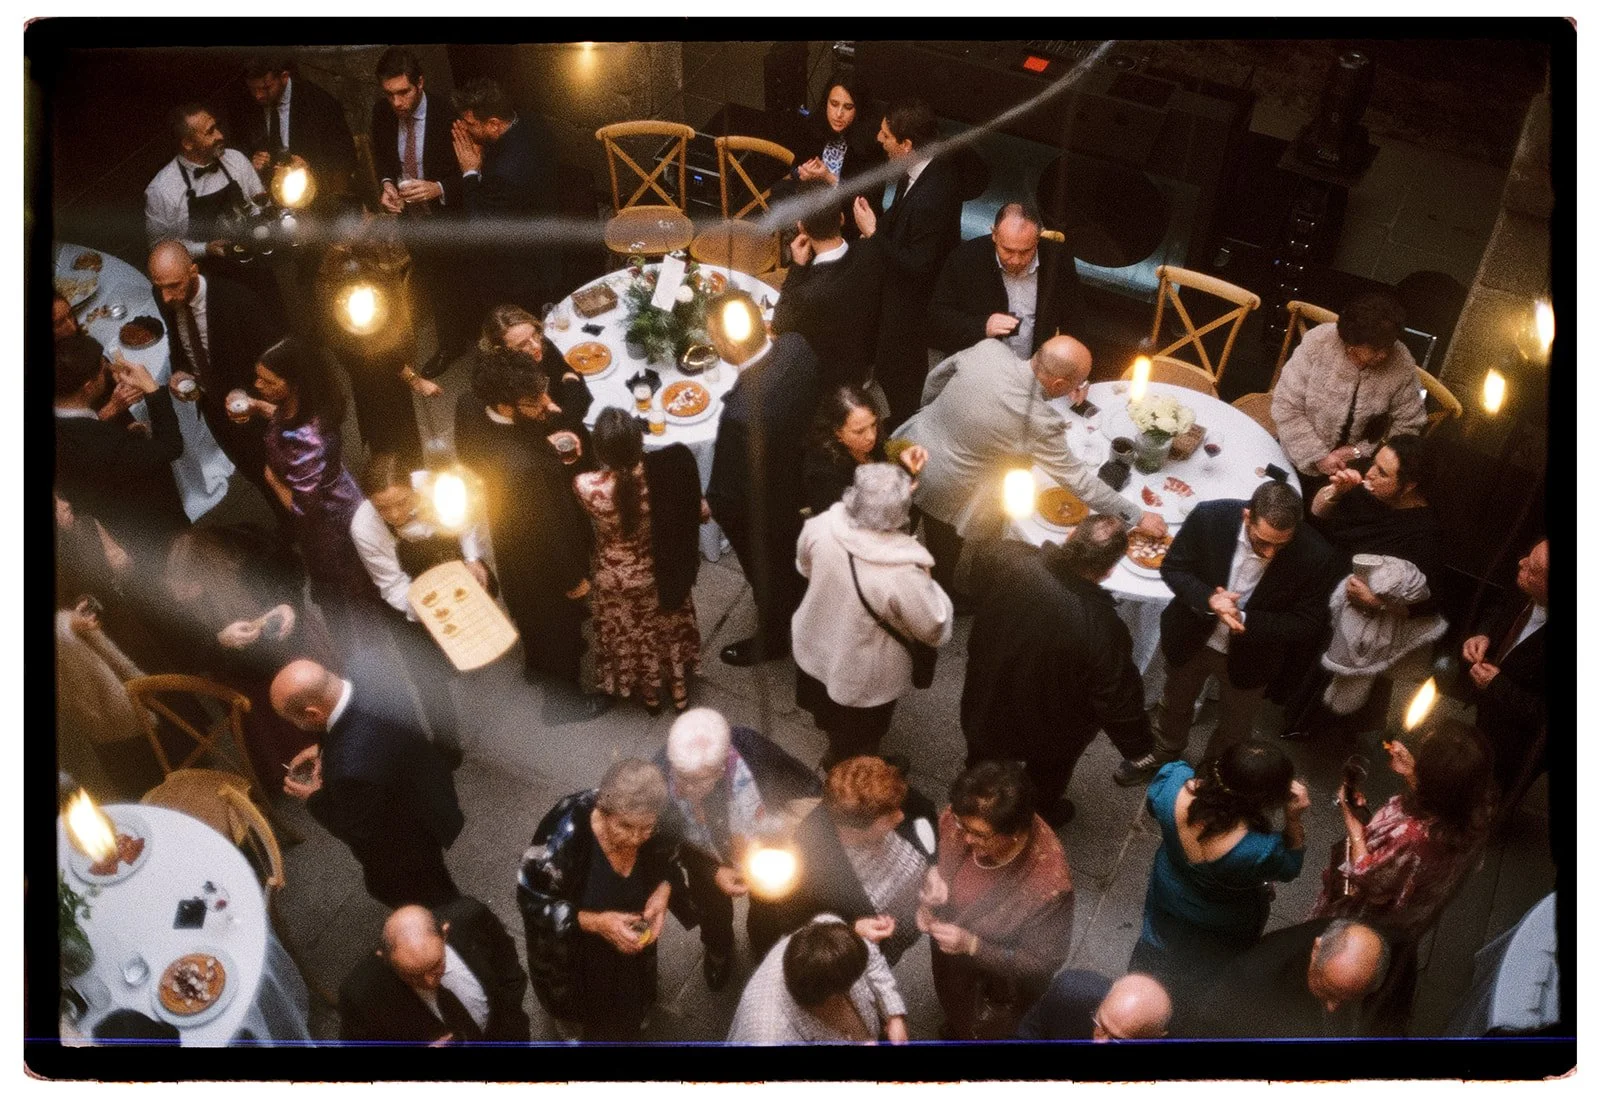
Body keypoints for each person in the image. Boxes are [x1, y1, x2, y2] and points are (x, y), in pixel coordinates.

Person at [897, 333, 1161, 597]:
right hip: (944, 485)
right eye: (1078, 383)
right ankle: (945, 596)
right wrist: (1138, 515)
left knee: (895, 519)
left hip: (908, 444)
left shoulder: (989, 349)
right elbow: (1079, 480)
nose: (1079, 389)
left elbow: (937, 378)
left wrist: (931, 414)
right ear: (1059, 382)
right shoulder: (1039, 421)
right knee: (942, 551)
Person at [1116, 480, 1336, 785]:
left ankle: (1212, 775)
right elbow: (1174, 568)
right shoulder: (1210, 518)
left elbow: (1307, 624)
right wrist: (1209, 599)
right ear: (1247, 515)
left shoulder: (1316, 556)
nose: (1271, 553)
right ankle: (1165, 751)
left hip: (1253, 657)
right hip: (1192, 637)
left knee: (1235, 727)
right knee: (1174, 703)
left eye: (1282, 544)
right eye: (1262, 541)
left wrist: (1245, 618)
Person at [961, 517, 1155, 828]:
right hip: (1052, 725)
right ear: (1109, 570)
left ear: (1069, 535)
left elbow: (976, 577)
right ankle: (1033, 819)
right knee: (1046, 778)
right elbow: (1117, 696)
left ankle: (974, 804)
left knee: (982, 761)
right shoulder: (1103, 628)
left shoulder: (1008, 558)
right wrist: (1140, 750)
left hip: (990, 693)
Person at [452, 348, 606, 717]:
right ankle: (564, 705)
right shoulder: (525, 468)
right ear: (506, 407)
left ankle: (538, 666)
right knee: (559, 626)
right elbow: (550, 527)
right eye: (534, 401)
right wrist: (574, 578)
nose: (547, 405)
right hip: (544, 561)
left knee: (534, 621)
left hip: (511, 541)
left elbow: (469, 455)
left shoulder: (469, 405)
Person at [515, 759, 695, 1042]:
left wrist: (664, 889)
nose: (636, 838)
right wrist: (597, 923)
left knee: (631, 988)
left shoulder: (660, 818)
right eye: (625, 826)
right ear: (603, 808)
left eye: (646, 828)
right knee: (577, 1006)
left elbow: (670, 858)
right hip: (576, 952)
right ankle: (573, 1028)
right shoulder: (562, 837)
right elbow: (533, 902)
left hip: (629, 938)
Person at [1279, 434, 1445, 735]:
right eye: (1374, 463)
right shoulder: (1370, 493)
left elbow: (1428, 605)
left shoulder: (1425, 537)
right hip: (1317, 591)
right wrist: (1335, 492)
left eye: (1382, 472)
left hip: (1347, 622)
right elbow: (1317, 519)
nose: (1369, 473)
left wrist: (1377, 602)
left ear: (1409, 486)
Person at [792, 463, 952, 768]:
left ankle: (836, 753)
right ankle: (856, 772)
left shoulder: (822, 525)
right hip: (862, 671)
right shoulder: (902, 572)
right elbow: (934, 626)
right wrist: (930, 582)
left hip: (816, 642)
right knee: (862, 732)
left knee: (829, 716)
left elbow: (805, 567)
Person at [274, 657, 465, 908]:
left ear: (312, 713)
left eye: (295, 720)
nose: (296, 725)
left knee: (427, 896)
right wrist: (325, 749)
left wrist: (314, 798)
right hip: (426, 784)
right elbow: (360, 728)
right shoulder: (372, 675)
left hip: (405, 846)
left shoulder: (348, 772)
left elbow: (357, 830)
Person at [1129, 742, 1310, 1004]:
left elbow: (1153, 805)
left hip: (1169, 888)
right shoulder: (1259, 850)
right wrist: (1293, 819)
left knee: (1161, 935)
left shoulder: (1172, 784)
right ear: (1266, 800)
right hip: (1223, 919)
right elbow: (1291, 867)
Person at [651, 708, 815, 991]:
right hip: (705, 859)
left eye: (695, 780)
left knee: (767, 908)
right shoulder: (657, 777)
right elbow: (659, 842)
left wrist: (785, 841)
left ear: (720, 769)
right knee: (711, 911)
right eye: (680, 775)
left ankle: (763, 942)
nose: (682, 786)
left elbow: (806, 788)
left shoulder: (751, 749)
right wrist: (712, 871)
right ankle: (718, 949)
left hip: (763, 854)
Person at [350, 453, 492, 768]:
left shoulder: (435, 486)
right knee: (427, 677)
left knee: (474, 629)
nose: (395, 514)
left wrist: (472, 557)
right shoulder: (364, 527)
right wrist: (432, 613)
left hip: (449, 563)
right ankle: (446, 744)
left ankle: (472, 662)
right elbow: (391, 585)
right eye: (382, 508)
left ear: (411, 485)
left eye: (401, 502)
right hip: (410, 595)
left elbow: (468, 519)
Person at [159, 526, 330, 789]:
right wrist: (219, 641)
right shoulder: (179, 601)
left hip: (289, 647)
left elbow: (292, 573)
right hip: (243, 672)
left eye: (192, 586)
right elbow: (188, 655)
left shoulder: (253, 555)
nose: (184, 594)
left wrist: (288, 604)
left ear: (209, 573)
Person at [704, 292, 822, 666]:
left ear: (724, 344)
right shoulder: (796, 346)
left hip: (772, 510)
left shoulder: (741, 416)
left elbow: (727, 495)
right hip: (806, 478)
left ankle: (773, 640)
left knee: (769, 577)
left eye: (712, 337)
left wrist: (712, 506)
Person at [916, 761, 1075, 1040]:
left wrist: (972, 945)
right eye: (960, 825)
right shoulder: (966, 816)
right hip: (952, 956)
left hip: (995, 977)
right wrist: (930, 888)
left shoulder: (1048, 888)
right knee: (956, 1002)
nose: (964, 838)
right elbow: (937, 843)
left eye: (979, 835)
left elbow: (1043, 961)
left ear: (1014, 833)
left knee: (984, 1027)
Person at [248, 337, 374, 658]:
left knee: (347, 589)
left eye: (267, 381)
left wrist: (272, 479)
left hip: (329, 523)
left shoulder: (310, 439)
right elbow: (285, 420)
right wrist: (257, 406)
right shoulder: (303, 406)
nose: (257, 384)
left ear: (293, 384)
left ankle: (361, 652)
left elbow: (303, 506)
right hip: (337, 493)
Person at [1315, 720, 1494, 942]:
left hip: (1367, 923)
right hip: (1418, 910)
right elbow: (1445, 802)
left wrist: (1352, 821)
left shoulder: (1414, 837)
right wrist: (1412, 772)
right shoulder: (1475, 807)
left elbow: (1367, 876)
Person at [575, 408, 704, 715]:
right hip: (660, 572)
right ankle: (678, 688)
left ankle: (650, 693)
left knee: (634, 633)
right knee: (666, 630)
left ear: (600, 451)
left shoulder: (585, 486)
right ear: (639, 439)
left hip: (615, 577)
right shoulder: (666, 475)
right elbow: (696, 513)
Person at [147, 239, 284, 526]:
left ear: (194, 272)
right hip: (216, 411)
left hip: (258, 412)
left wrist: (245, 391)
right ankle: (288, 524)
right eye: (160, 287)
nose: (167, 296)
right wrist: (180, 371)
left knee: (283, 474)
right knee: (256, 473)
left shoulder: (237, 300)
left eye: (174, 286)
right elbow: (178, 341)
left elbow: (275, 361)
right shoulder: (165, 294)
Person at [746, 755, 928, 967]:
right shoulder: (808, 867)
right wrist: (851, 933)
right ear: (853, 829)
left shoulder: (886, 794)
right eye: (888, 818)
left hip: (907, 926)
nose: (900, 817)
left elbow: (926, 816)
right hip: (861, 954)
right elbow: (800, 927)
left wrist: (934, 867)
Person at [851, 98, 963, 427]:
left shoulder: (933, 196)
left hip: (913, 302)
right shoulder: (913, 169)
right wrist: (878, 225)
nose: (879, 139)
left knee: (900, 372)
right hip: (897, 283)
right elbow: (900, 218)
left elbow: (918, 266)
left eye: (886, 135)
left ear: (906, 144)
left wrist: (873, 233)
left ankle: (901, 426)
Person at [53, 332, 188, 573]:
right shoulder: (102, 444)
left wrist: (127, 437)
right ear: (88, 386)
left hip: (111, 515)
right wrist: (152, 390)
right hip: (151, 523)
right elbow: (170, 447)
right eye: (102, 371)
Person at [1271, 291, 1428, 493]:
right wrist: (1318, 456)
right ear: (1351, 343)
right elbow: (1286, 405)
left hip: (1357, 473)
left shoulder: (1401, 363)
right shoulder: (1319, 343)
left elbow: (1409, 424)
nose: (1385, 354)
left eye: (1389, 346)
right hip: (1297, 452)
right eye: (1376, 348)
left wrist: (1359, 451)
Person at [369, 47, 465, 372]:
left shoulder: (447, 114)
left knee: (452, 280)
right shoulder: (382, 114)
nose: (396, 103)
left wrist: (439, 188)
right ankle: (446, 335)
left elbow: (473, 174)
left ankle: (456, 341)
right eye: (389, 94)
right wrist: (386, 185)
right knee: (430, 277)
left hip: (447, 218)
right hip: (410, 218)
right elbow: (383, 158)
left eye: (403, 93)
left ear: (419, 83)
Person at [338, 898, 531, 1044]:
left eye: (435, 965)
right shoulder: (361, 995)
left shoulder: (471, 917)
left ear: (445, 933)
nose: (429, 982)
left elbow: (506, 961)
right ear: (385, 957)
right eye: (412, 975)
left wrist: (511, 1017)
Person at [450, 77, 559, 326]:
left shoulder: (503, 173)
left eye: (470, 124)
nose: (465, 130)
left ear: (494, 124)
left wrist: (470, 172)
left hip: (522, 268)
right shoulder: (531, 122)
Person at [927, 201, 1090, 360]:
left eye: (1026, 251)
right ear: (994, 234)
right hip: (978, 368)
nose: (1016, 260)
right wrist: (983, 326)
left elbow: (1074, 319)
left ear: (1038, 239)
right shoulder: (966, 258)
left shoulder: (1057, 260)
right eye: (1008, 250)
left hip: (1033, 370)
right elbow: (937, 321)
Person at [1186, 917, 1393, 1039]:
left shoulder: (1359, 940)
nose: (1332, 1007)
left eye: (1347, 996)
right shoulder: (1245, 986)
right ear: (1316, 949)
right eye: (1326, 989)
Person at [727, 914, 909, 1044]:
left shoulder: (826, 927)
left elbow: (872, 960)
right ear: (834, 995)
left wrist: (894, 1016)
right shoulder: (768, 1038)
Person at [772, 181, 884, 391]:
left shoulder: (807, 291)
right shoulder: (871, 253)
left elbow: (779, 325)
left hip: (823, 381)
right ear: (841, 219)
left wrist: (797, 267)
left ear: (801, 227)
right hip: (859, 363)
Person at [1459, 538, 1548, 796]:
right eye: (1527, 559)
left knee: (1491, 793)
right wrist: (1485, 635)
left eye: (1533, 569)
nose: (1521, 564)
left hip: (1519, 745)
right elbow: (1498, 609)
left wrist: (1497, 685)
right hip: (1488, 717)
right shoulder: (1524, 588)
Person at [144, 102, 266, 260]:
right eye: (210, 132)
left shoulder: (236, 159)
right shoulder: (161, 190)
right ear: (188, 144)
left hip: (253, 255)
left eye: (216, 127)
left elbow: (259, 203)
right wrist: (204, 249)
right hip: (207, 272)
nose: (220, 136)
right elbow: (159, 247)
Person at [240, 54, 357, 202]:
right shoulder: (247, 104)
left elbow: (345, 159)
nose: (258, 96)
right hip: (269, 195)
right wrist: (252, 161)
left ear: (284, 77)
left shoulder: (319, 103)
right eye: (253, 89)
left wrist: (310, 168)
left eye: (266, 88)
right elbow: (240, 148)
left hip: (314, 195)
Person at [801, 384, 927, 516]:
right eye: (859, 431)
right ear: (837, 432)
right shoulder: (823, 475)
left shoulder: (873, 441)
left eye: (873, 424)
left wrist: (904, 461)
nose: (871, 436)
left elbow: (887, 457)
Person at [789, 72, 886, 240]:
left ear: (858, 109)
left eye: (848, 107)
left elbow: (868, 203)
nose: (838, 114)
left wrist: (829, 178)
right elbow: (794, 169)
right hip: (809, 217)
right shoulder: (812, 127)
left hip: (848, 227)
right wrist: (803, 174)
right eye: (834, 104)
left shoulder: (872, 145)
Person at [478, 304, 594, 440]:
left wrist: (570, 380)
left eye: (535, 334)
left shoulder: (536, 344)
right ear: (503, 352)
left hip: (566, 408)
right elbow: (551, 427)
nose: (536, 345)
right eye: (522, 344)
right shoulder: (508, 384)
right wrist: (572, 382)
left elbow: (563, 368)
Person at [1016, 971, 1173, 1041]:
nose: (1100, 1042)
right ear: (1104, 999)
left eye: (1116, 1040)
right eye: (1100, 1026)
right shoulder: (1069, 995)